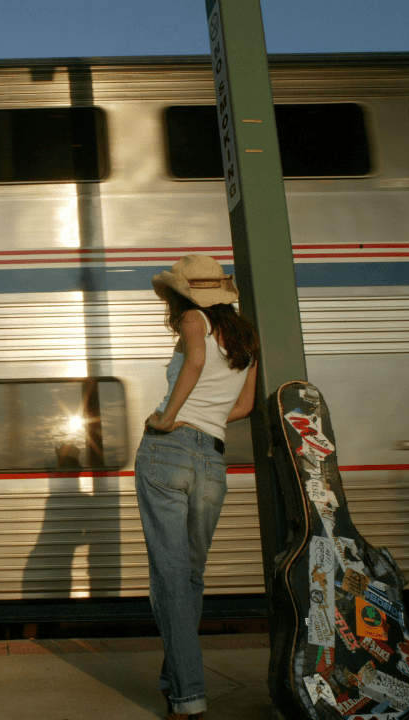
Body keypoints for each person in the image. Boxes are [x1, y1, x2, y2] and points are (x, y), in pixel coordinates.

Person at [137, 254, 259, 720]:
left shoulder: (194, 319)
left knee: (168, 582)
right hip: (212, 460)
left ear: (184, 295)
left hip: (168, 453)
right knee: (186, 580)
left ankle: (189, 698)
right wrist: (205, 419)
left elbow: (196, 362)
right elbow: (244, 405)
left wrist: (169, 418)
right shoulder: (247, 337)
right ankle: (176, 686)